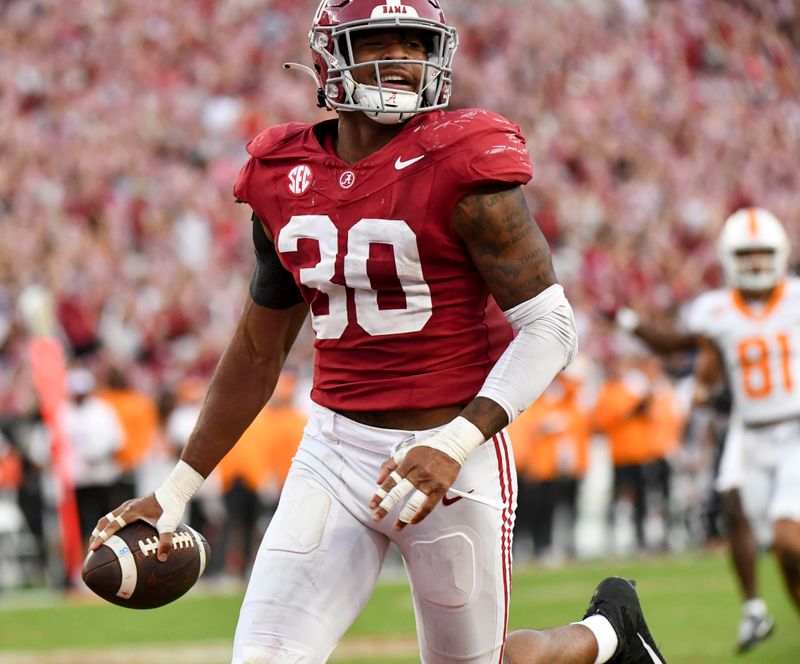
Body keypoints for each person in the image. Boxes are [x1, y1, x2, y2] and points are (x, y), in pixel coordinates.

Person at [89, 2, 664, 662]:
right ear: (330, 57)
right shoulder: (283, 174)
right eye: (379, 43)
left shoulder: (464, 162)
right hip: (334, 452)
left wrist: (454, 440)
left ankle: (607, 635)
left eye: (415, 45)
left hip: (453, 455)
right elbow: (257, 348)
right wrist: (173, 492)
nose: (401, 60)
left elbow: (551, 326)